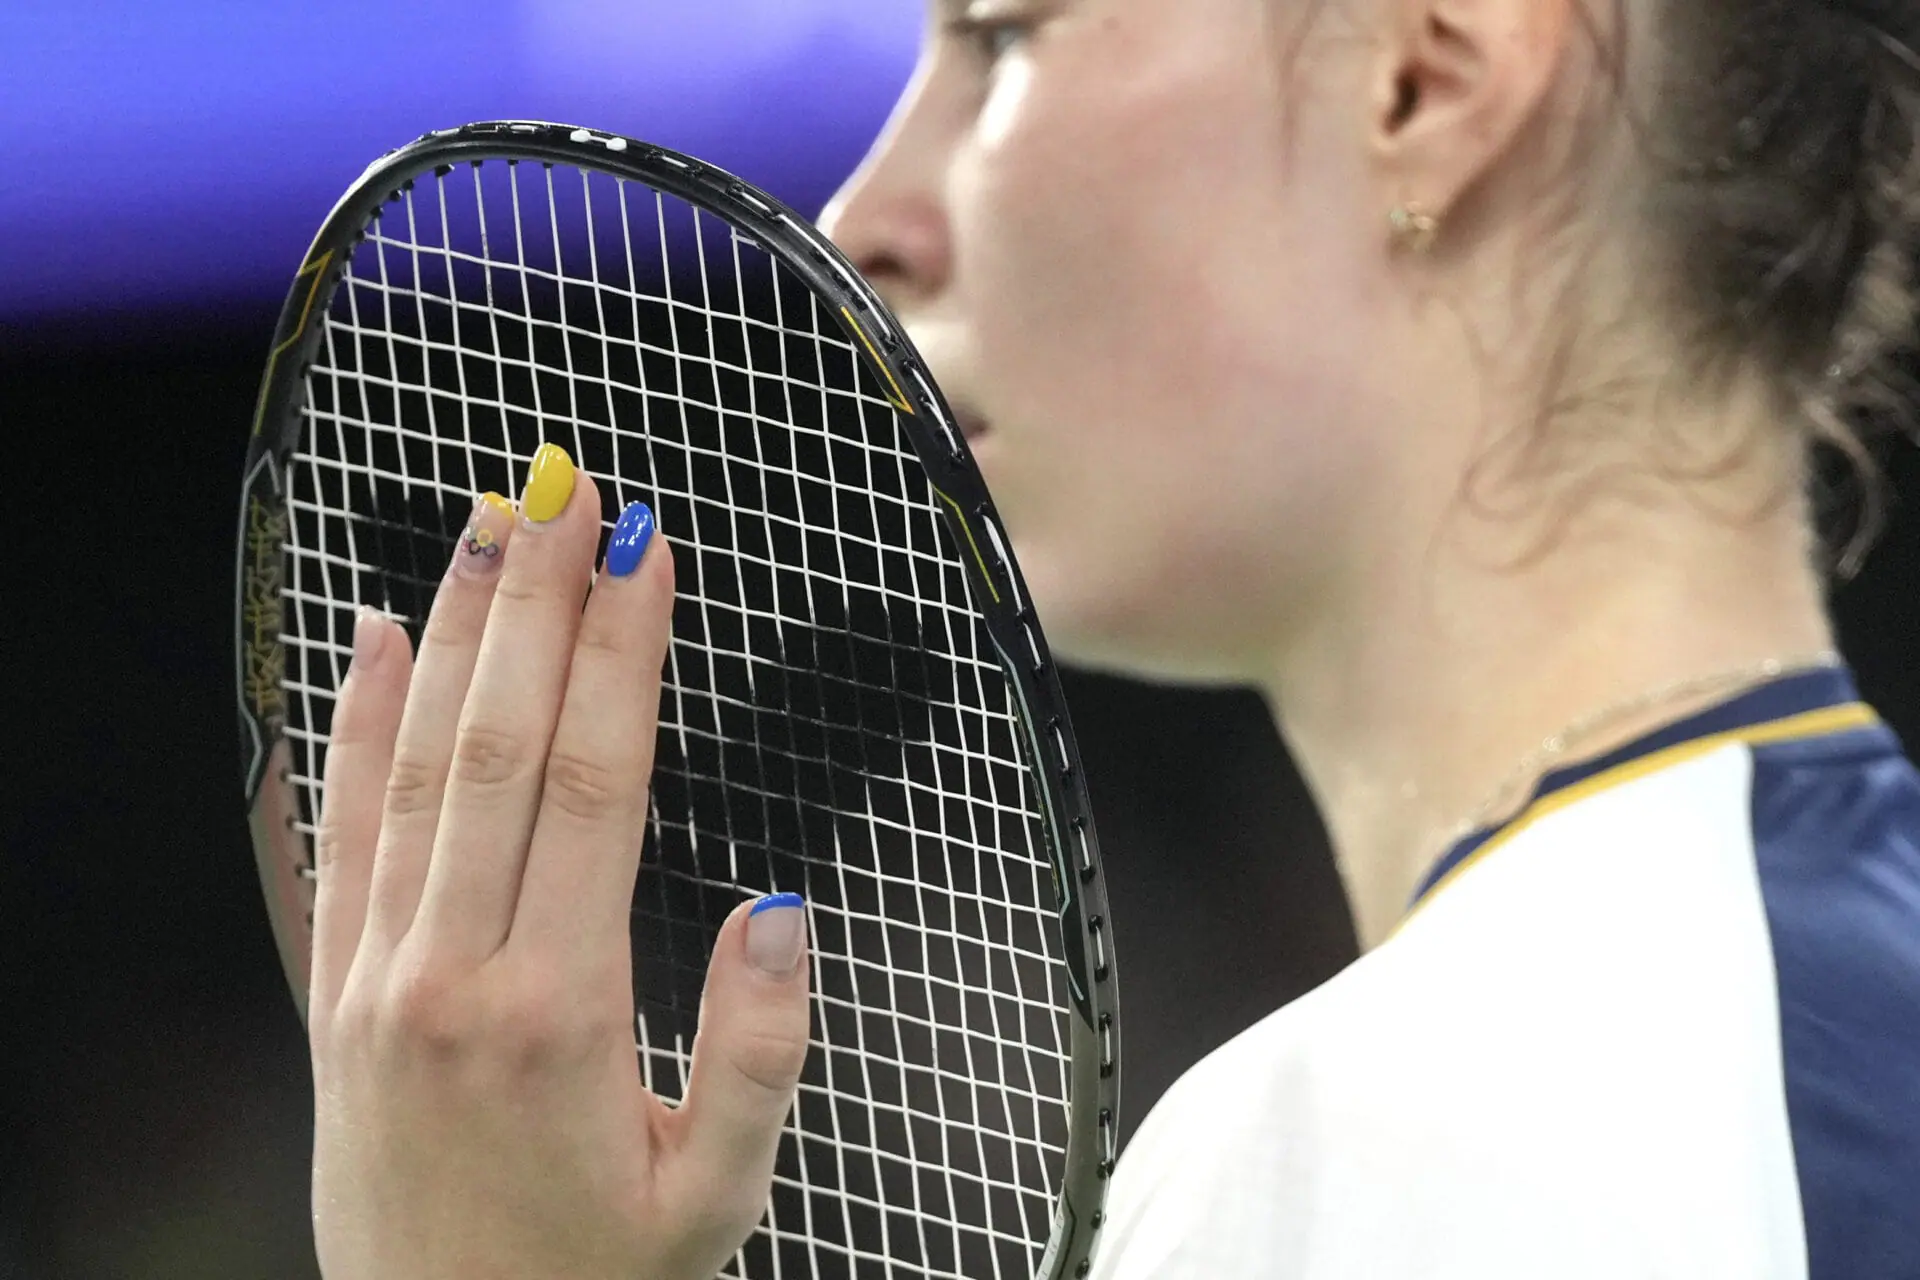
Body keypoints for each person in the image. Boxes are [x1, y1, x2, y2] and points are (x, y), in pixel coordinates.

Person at [308, 0, 1920, 1276]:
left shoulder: (1417, 1134)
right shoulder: (1794, 1019)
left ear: (1425, 84)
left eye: (1004, 35)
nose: (866, 216)